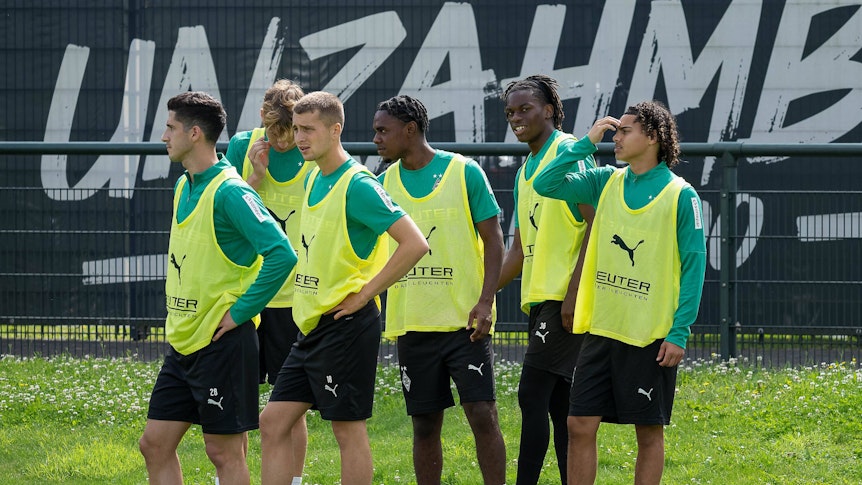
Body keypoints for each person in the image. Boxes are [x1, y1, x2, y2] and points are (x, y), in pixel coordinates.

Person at [532, 100, 707, 485]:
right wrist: (584, 145)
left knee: (648, 431)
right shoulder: (605, 180)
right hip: (602, 331)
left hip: (650, 337)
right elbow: (544, 183)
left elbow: (695, 269)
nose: (616, 135)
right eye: (616, 129)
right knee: (578, 424)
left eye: (626, 130)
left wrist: (679, 333)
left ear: (654, 137)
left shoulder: (682, 195)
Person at [259, 91, 429, 485]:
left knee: (346, 430)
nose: (300, 138)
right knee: (272, 422)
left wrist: (367, 293)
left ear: (335, 130)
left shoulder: (358, 184)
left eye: (309, 130)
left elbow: (415, 243)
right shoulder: (315, 177)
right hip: (313, 326)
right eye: (297, 129)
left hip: (346, 325)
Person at [139, 91, 296, 485]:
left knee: (223, 453)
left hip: (222, 343)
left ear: (194, 134)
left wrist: (241, 311)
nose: (164, 136)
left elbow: (282, 254)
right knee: (154, 444)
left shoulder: (231, 191)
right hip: (183, 343)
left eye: (170, 127)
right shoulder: (184, 185)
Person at [373, 95, 507, 485]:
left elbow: (494, 239)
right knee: (425, 426)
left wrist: (486, 301)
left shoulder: (464, 172)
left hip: (465, 323)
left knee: (482, 414)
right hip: (413, 324)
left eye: (383, 130)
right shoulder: (382, 185)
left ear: (410, 130)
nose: (377, 139)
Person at [496, 75, 595, 485]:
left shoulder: (571, 152)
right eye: (510, 113)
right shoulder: (524, 172)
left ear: (550, 110)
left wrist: (574, 292)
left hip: (565, 302)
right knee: (560, 405)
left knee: (530, 395)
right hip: (539, 301)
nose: (516, 119)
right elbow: (518, 250)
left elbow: (597, 225)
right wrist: (483, 294)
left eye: (525, 109)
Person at [224, 79, 309, 482]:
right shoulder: (242, 146)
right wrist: (256, 177)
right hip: (246, 296)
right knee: (236, 404)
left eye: (292, 132)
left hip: (293, 300)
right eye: (276, 131)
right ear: (263, 119)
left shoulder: (312, 148)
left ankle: (291, 480)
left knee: (289, 404)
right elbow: (228, 214)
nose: (284, 141)